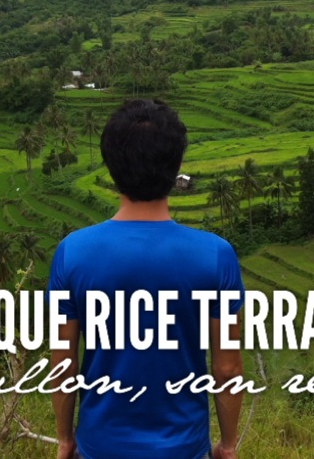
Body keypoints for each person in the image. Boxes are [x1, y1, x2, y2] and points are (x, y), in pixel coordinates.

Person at [47, 98, 244, 459]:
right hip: (184, 449)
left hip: (100, 447)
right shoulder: (216, 255)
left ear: (110, 165)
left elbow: (64, 364)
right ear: (176, 164)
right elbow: (227, 368)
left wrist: (65, 439)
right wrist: (227, 446)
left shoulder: (72, 252)